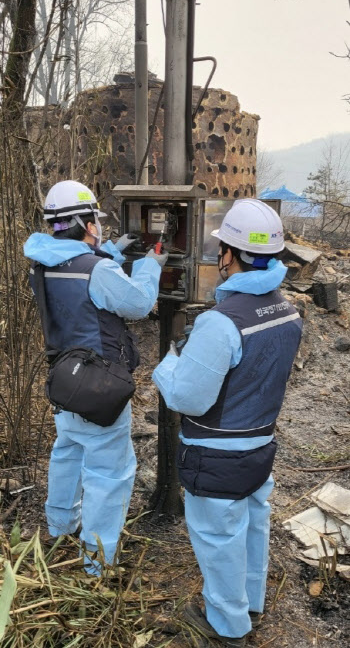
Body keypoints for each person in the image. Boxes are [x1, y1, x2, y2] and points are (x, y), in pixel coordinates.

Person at [152, 199, 302, 647]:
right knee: (253, 524)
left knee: (219, 541)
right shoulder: (288, 311)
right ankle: (250, 600)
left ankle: (226, 626)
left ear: (230, 256)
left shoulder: (221, 323)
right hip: (260, 448)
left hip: (216, 456)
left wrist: (169, 363)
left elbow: (186, 396)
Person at [24, 180, 167, 574]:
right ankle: (97, 560)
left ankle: (60, 526)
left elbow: (78, 279)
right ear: (86, 223)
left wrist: (110, 252)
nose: (99, 228)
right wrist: (149, 267)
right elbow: (137, 303)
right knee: (110, 471)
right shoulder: (97, 269)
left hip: (65, 378)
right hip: (99, 384)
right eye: (95, 222)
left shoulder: (44, 261)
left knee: (68, 450)